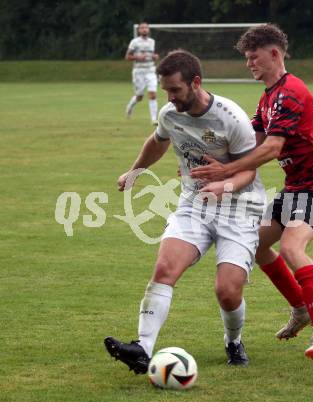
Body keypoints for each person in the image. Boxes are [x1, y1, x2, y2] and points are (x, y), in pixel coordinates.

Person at [190, 24, 313, 360]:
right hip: (296, 187)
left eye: (254, 57)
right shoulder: (268, 99)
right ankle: (301, 308)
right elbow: (250, 144)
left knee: (291, 246)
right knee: (257, 243)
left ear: (275, 54)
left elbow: (272, 149)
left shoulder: (290, 93)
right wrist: (209, 164)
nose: (249, 64)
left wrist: (227, 171)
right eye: (247, 58)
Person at [104, 50, 266, 373]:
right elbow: (158, 140)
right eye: (166, 90)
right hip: (194, 205)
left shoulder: (230, 118)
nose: (170, 98)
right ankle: (142, 348)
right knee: (164, 268)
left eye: (175, 90)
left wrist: (225, 185)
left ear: (196, 82)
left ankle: (233, 341)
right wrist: (134, 171)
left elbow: (251, 170)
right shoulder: (169, 113)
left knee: (227, 290)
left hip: (239, 208)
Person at [125, 22, 159, 124]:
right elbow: (127, 57)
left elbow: (153, 55)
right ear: (139, 30)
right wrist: (137, 57)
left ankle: (154, 119)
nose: (144, 29)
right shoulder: (134, 42)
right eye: (142, 28)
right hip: (139, 71)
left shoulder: (152, 41)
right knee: (139, 97)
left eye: (146, 28)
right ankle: (130, 107)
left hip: (151, 71)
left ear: (148, 30)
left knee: (152, 94)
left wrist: (155, 57)